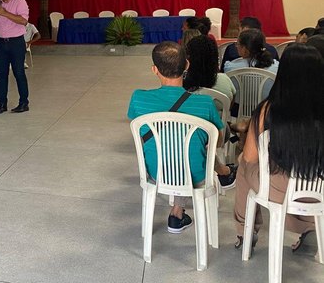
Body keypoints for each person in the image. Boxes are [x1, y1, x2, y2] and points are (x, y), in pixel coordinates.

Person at [233, 44, 324, 250]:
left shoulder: (268, 108)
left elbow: (249, 157)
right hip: (319, 187)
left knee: (244, 166)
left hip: (279, 187)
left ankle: (245, 230)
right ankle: (309, 227)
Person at [128, 41, 224, 233]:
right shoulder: (204, 103)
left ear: (154, 70)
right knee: (196, 152)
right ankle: (179, 211)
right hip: (196, 175)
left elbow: (138, 132)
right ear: (187, 65)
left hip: (156, 172)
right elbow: (218, 142)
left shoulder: (138, 98)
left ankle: (178, 211)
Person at [183, 35, 238, 188]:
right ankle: (223, 171)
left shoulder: (182, 82)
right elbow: (230, 106)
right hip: (219, 132)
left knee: (197, 138)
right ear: (215, 57)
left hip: (186, 131)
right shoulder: (224, 80)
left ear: (188, 57)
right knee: (211, 135)